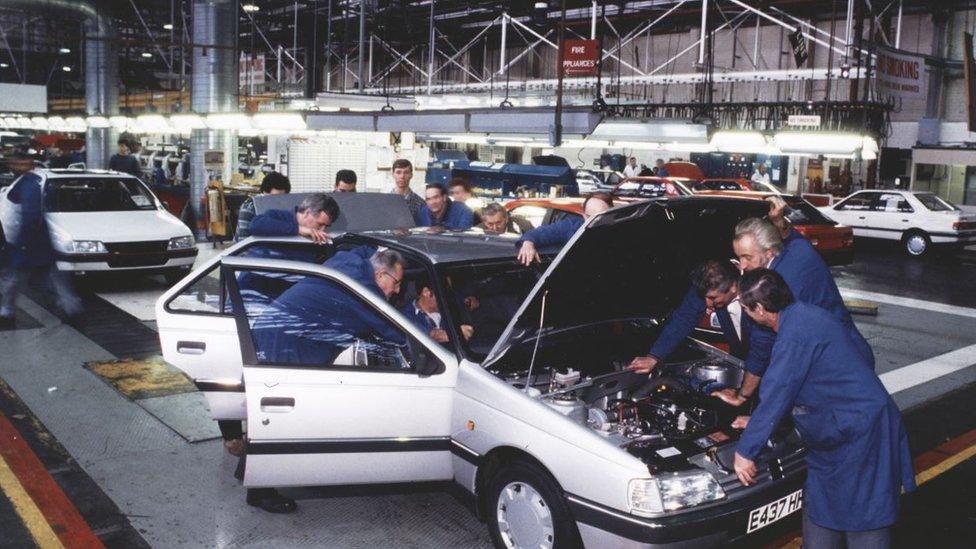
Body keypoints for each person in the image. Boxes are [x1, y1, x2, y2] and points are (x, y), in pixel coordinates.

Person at [732, 269, 914, 548]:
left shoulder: (795, 333)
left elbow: (778, 390)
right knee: (820, 511)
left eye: (745, 308)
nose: (745, 314)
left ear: (759, 309)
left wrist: (746, 452)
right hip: (837, 435)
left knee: (864, 520)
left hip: (861, 436)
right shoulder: (805, 314)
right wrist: (758, 421)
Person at [627, 260, 774, 403]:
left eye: (712, 298)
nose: (707, 304)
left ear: (733, 287)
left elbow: (761, 348)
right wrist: (654, 356)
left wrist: (744, 394)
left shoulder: (756, 289)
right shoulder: (710, 282)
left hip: (772, 361)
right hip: (745, 364)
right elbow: (683, 319)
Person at [0, 170, 82, 328]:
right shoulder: (31, 182)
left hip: (28, 243)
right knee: (54, 278)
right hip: (40, 242)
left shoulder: (28, 183)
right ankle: (72, 308)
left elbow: (30, 216)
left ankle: (6, 311)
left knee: (15, 278)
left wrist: (22, 242)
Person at [516, 192, 613, 266]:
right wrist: (528, 244)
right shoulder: (572, 226)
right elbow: (541, 233)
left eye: (600, 216)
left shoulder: (623, 229)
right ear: (583, 215)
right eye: (589, 216)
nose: (594, 221)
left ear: (612, 214)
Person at [249, 193, 339, 244]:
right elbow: (255, 225)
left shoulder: (317, 237)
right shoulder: (277, 216)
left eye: (326, 226)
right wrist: (298, 229)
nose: (322, 230)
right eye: (319, 224)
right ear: (307, 213)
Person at [401, 282, 473, 344]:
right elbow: (429, 335)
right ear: (426, 292)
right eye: (445, 291)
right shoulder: (405, 315)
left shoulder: (450, 309)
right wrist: (457, 334)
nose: (448, 296)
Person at [234, 172, 291, 241]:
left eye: (282, 197)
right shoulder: (249, 207)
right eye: (274, 197)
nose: (278, 201)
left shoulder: (288, 206)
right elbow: (243, 240)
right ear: (264, 192)